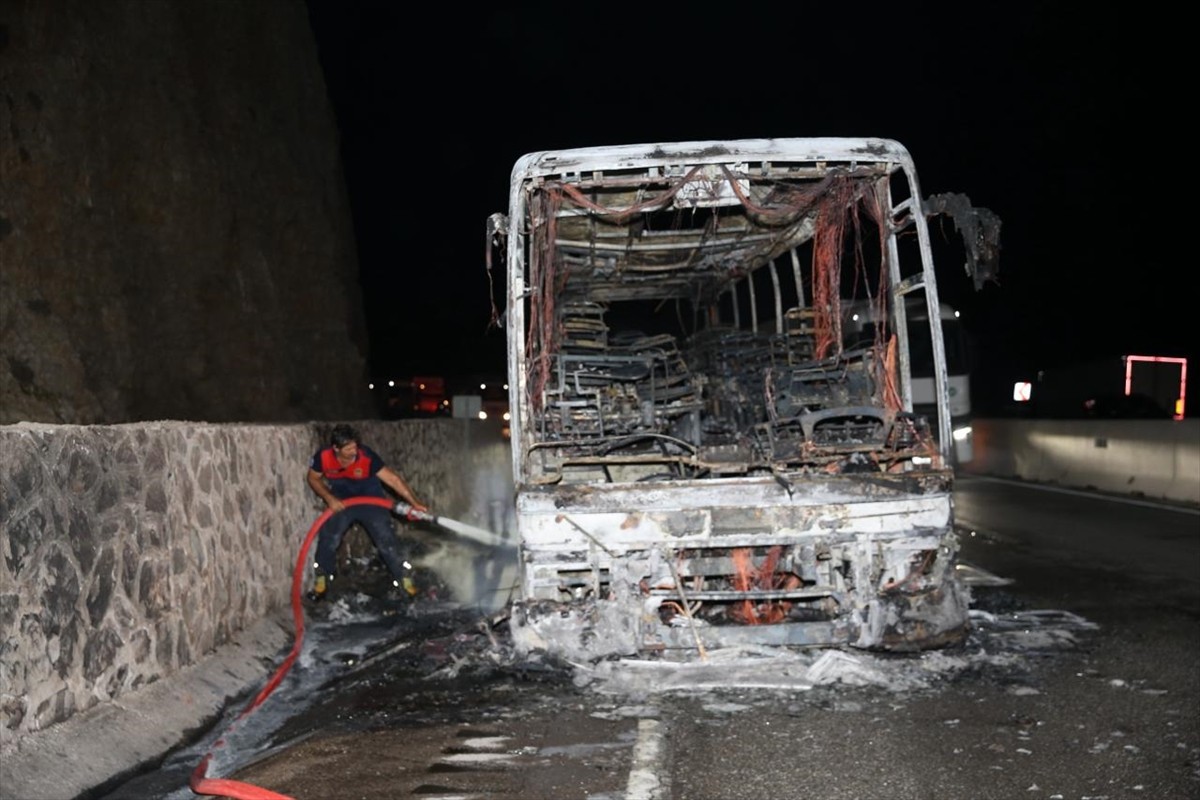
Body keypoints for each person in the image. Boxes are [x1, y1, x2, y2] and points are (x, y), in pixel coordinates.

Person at [305, 423, 430, 602]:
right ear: (336, 448)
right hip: (341, 500)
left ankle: (405, 581)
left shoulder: (366, 456)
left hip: (371, 499)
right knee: (329, 537)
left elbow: (393, 479)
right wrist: (330, 499)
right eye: (348, 449)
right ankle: (322, 581)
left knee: (386, 540)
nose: (354, 451)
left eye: (355, 446)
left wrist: (414, 503)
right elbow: (313, 478)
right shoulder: (323, 457)